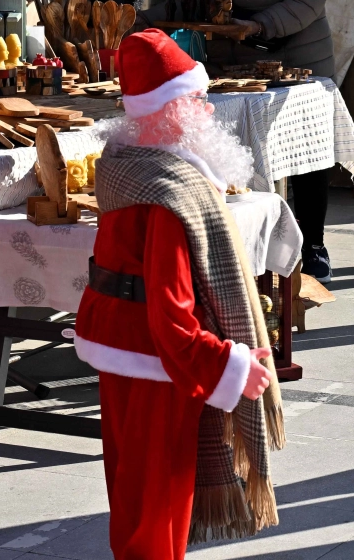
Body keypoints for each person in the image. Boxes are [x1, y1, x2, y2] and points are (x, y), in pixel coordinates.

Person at [74, 30, 283, 560]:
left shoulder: (125, 163)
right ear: (168, 110)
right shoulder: (168, 193)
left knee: (134, 493)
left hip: (121, 346)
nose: (208, 109)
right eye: (197, 98)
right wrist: (228, 366)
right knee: (157, 508)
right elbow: (171, 316)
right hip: (154, 361)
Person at [154, 0, 337, 278]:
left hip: (298, 57)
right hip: (238, 61)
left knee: (306, 157)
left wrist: (259, 25)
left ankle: (313, 245)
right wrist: (148, 18)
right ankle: (249, 250)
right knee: (240, 157)